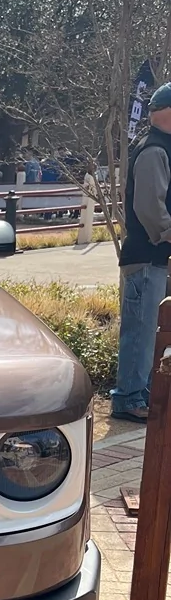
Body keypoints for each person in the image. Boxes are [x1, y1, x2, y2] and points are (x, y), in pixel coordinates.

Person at [111, 81, 171, 421]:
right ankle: (128, 399)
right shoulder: (154, 149)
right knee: (142, 330)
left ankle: (141, 395)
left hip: (155, 257)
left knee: (152, 330)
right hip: (147, 256)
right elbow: (151, 209)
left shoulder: (161, 147)